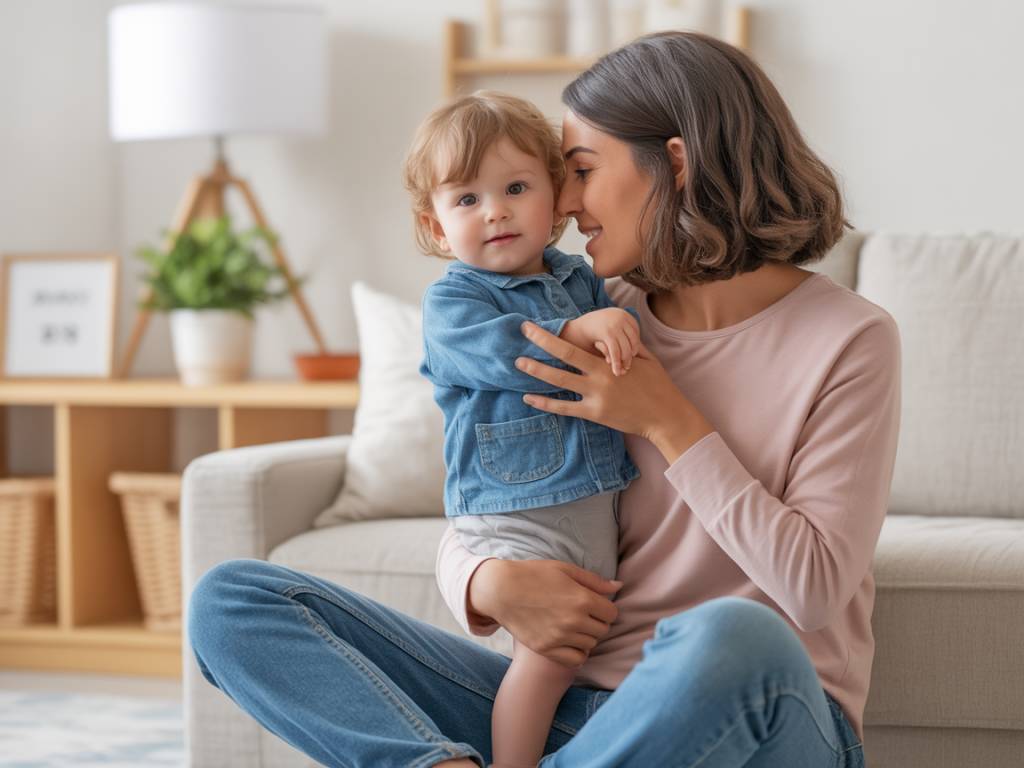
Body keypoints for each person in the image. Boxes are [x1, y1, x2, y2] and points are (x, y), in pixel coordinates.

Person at [187, 30, 899, 768]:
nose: (566, 202)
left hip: (752, 714)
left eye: (581, 171)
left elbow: (812, 590)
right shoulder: (588, 315)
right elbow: (498, 496)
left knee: (734, 636)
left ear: (676, 164)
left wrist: (668, 420)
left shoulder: (848, 339)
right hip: (573, 715)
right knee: (232, 602)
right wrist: (488, 582)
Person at [405, 90, 642, 768]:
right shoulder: (454, 299)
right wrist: (577, 332)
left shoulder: (581, 277)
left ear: (557, 198)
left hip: (586, 502)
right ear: (436, 227)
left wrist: (613, 324)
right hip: (512, 507)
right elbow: (500, 350)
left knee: (569, 657)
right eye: (467, 199)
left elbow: (628, 339)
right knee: (545, 660)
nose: (496, 211)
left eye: (515, 188)